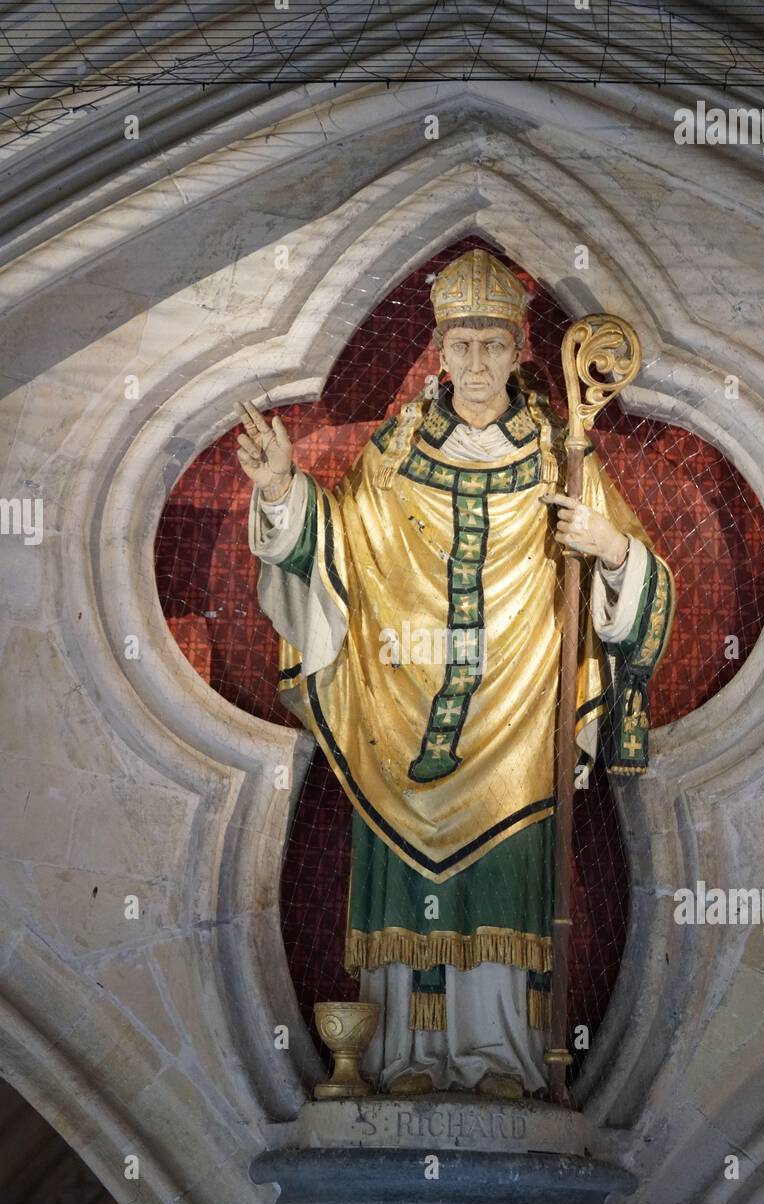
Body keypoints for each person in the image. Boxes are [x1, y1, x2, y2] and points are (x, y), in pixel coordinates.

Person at [239, 248, 674, 1099]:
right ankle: (400, 1059)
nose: (473, 363)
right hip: (397, 717)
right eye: (458, 344)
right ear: (437, 349)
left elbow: (643, 581)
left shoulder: (563, 457)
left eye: (491, 345)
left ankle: (501, 1058)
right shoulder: (395, 454)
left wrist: (609, 547)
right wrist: (282, 489)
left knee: (504, 878)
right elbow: (337, 554)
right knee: (402, 874)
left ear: (518, 351)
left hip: (517, 720)